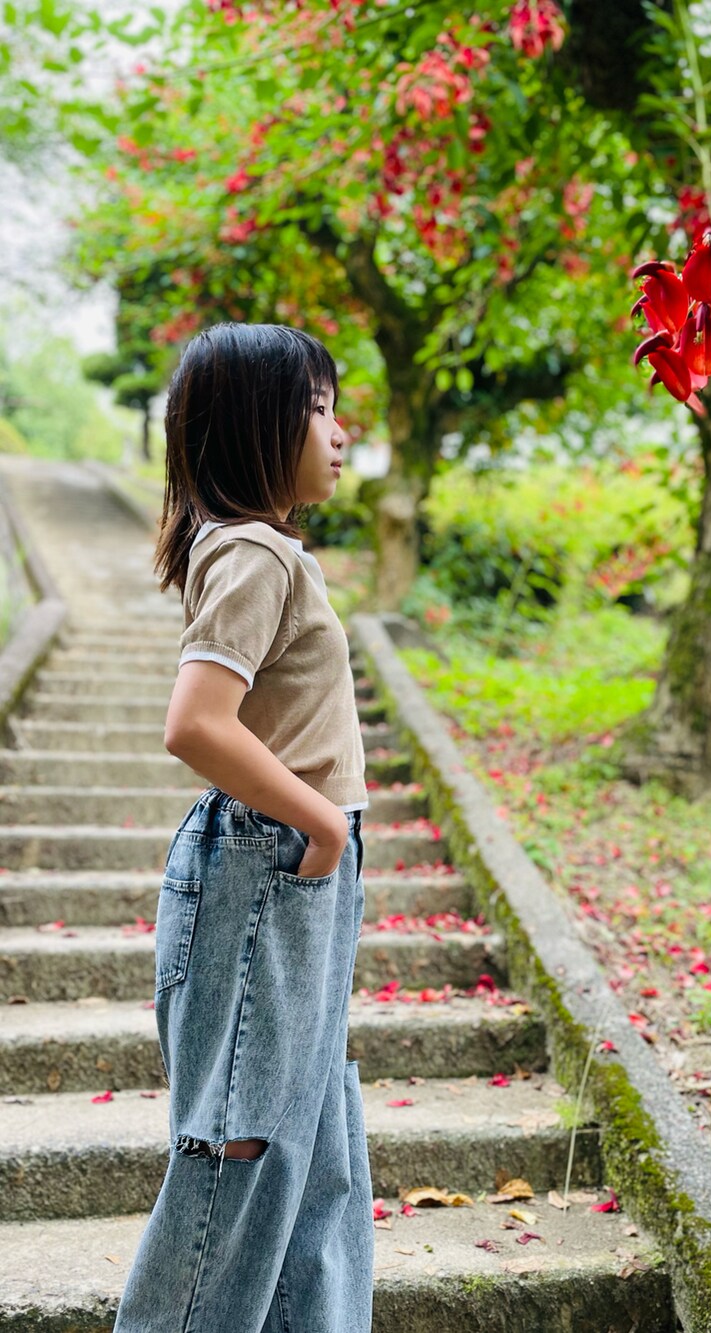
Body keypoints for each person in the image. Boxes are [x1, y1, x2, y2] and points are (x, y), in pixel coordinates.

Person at [113, 323, 374, 1333]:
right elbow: (195, 723)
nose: (340, 431)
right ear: (257, 426)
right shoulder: (256, 554)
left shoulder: (266, 552)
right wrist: (318, 822)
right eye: (317, 407)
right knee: (244, 1144)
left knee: (312, 1145)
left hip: (294, 872)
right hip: (272, 868)